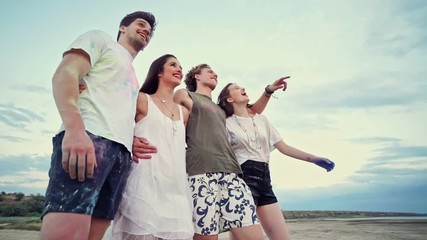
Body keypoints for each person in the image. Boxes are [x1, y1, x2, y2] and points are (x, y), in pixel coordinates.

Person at [134, 63, 289, 240]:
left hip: (232, 175)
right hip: (200, 174)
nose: (215, 74)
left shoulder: (221, 110)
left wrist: (268, 91)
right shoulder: (185, 95)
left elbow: (251, 110)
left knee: (251, 232)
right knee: (207, 236)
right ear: (197, 77)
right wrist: (134, 138)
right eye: (209, 72)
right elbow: (169, 123)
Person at [40, 11, 157, 240]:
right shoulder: (101, 40)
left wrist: (130, 138)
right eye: (141, 24)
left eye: (150, 31)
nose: (146, 30)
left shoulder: (133, 74)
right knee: (67, 233)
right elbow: (65, 74)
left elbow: (112, 107)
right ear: (123, 27)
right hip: (89, 140)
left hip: (121, 154)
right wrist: (75, 131)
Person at [217, 83, 335, 240]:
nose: (242, 88)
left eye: (242, 86)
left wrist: (313, 158)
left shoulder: (262, 120)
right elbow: (221, 155)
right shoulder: (226, 123)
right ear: (229, 98)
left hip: (265, 181)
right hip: (242, 180)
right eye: (236, 88)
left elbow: (284, 147)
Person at [108, 54, 194, 240]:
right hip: (144, 180)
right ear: (159, 73)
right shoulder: (141, 99)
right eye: (173, 65)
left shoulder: (184, 112)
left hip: (176, 187)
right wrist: (129, 140)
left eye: (180, 65)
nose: (179, 69)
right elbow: (113, 121)